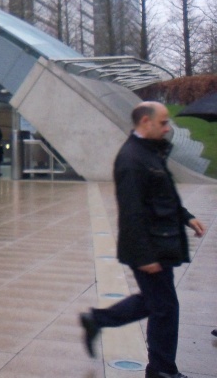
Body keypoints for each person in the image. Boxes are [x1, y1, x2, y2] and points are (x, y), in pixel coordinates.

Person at [79, 102, 206, 378]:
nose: (167, 128)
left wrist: (185, 216)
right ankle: (162, 370)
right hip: (149, 247)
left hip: (160, 241)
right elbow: (131, 212)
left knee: (157, 303)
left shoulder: (149, 152)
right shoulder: (132, 159)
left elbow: (163, 193)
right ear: (145, 122)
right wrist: (145, 256)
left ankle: (98, 321)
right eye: (163, 122)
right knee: (165, 308)